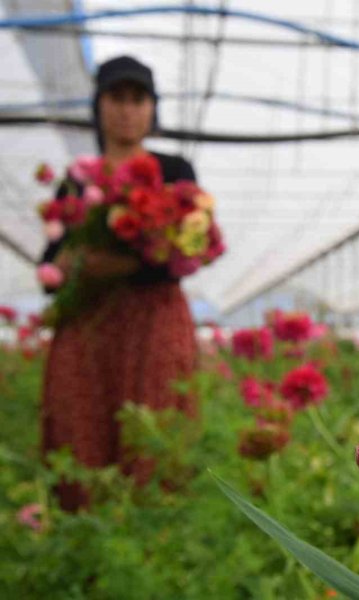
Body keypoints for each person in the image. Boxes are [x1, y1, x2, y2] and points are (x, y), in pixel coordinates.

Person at [41, 56, 199, 511]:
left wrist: (124, 266)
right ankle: (86, 530)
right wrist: (71, 264)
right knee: (79, 421)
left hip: (154, 318)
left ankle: (154, 528)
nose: (127, 110)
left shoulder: (174, 171)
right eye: (116, 98)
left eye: (137, 99)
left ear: (152, 109)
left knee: (155, 420)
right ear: (99, 106)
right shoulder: (77, 180)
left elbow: (188, 251)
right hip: (89, 323)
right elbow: (50, 266)